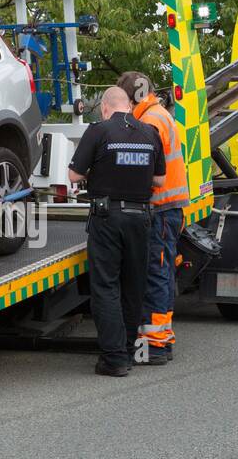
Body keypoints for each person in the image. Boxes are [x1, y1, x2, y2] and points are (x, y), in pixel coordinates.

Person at [68, 86, 165, 376]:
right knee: (133, 286)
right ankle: (126, 351)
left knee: (106, 286)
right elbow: (159, 179)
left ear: (107, 108)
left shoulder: (99, 131)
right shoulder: (150, 133)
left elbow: (74, 175)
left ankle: (114, 359)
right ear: (129, 106)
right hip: (141, 217)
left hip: (107, 217)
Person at [117, 71, 189, 366]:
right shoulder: (159, 114)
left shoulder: (149, 122)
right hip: (168, 208)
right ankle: (161, 340)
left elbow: (145, 170)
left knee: (156, 275)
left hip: (160, 208)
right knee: (161, 272)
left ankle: (156, 345)